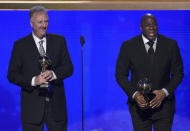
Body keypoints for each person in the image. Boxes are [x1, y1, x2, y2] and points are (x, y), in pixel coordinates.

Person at [7, 5, 73, 131]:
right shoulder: (20, 45)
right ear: (31, 23)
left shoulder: (59, 41)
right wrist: (34, 80)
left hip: (56, 108)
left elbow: (69, 68)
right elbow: (12, 74)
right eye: (40, 22)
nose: (44, 25)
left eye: (46, 21)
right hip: (32, 109)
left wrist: (53, 74)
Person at [116, 13, 184, 131]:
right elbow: (120, 75)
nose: (152, 27)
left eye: (154, 25)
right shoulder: (128, 46)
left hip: (164, 106)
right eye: (148, 25)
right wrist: (135, 94)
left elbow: (178, 74)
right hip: (139, 107)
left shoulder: (171, 45)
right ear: (141, 27)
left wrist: (164, 92)